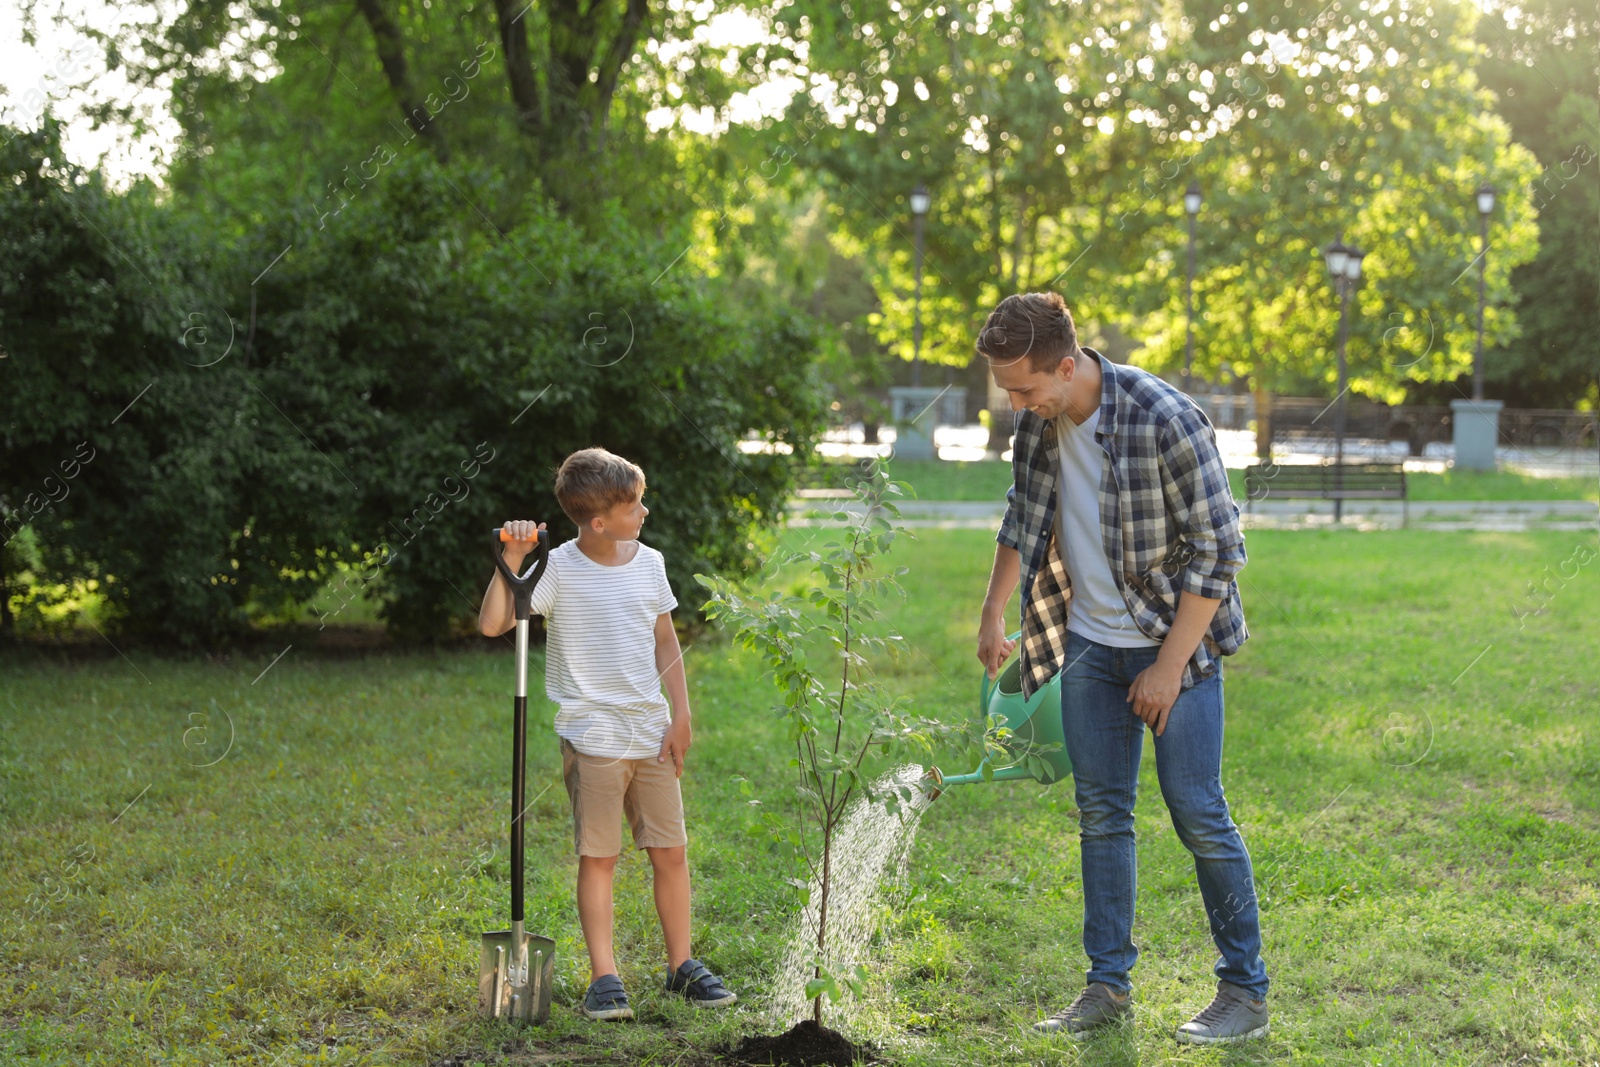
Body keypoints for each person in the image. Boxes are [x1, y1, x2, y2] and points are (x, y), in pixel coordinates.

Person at [973, 293, 1270, 1044]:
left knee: (1197, 808)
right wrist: (991, 610)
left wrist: (1168, 667)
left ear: (1066, 366)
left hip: (1179, 643)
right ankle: (1107, 985)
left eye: (1025, 388)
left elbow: (1220, 551)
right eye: (1009, 390)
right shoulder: (1038, 423)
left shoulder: (1166, 419)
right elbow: (1024, 512)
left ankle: (1244, 989)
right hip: (1090, 646)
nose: (1017, 403)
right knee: (1102, 813)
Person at [479, 447, 737, 1021]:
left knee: (670, 851)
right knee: (601, 857)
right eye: (634, 505)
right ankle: (605, 976)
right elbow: (495, 622)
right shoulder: (557, 570)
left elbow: (666, 641)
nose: (644, 512)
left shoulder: (649, 562)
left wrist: (682, 714)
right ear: (599, 521)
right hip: (593, 738)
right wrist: (513, 558)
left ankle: (682, 966)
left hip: (650, 733)